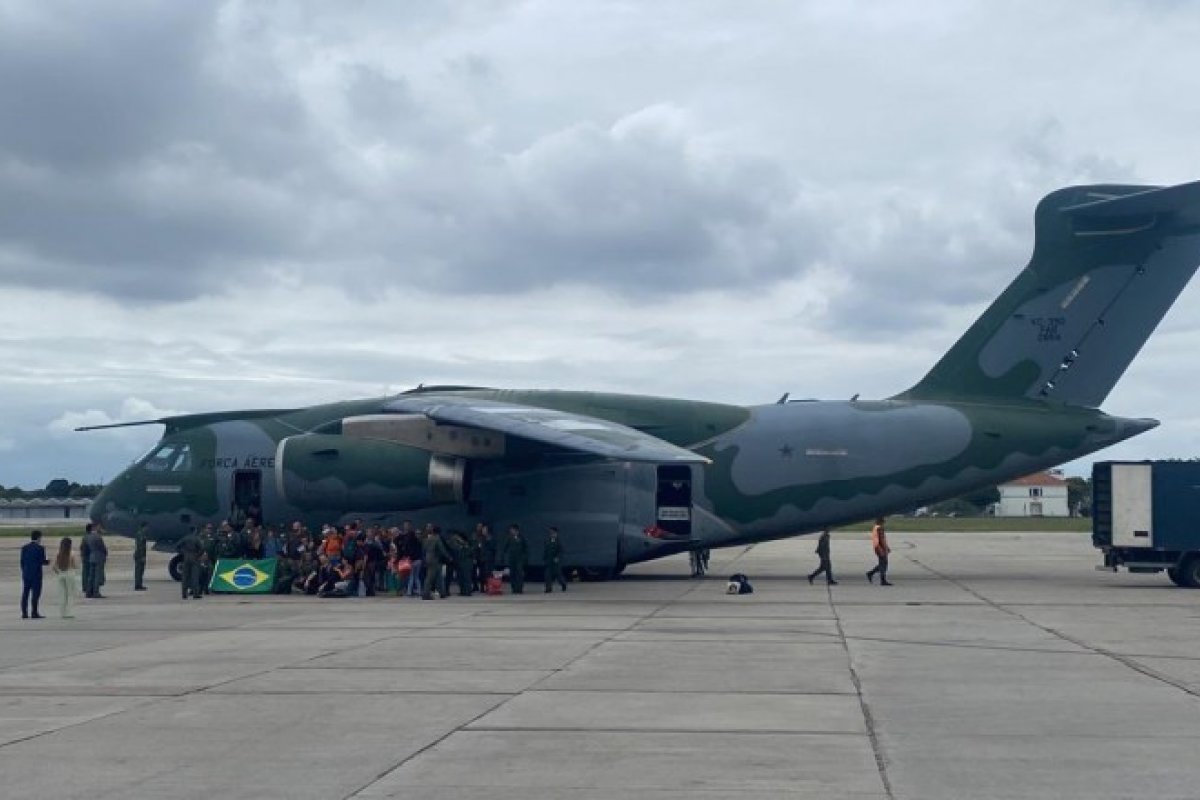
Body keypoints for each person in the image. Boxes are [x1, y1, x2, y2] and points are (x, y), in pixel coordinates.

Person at [20, 530, 49, 619]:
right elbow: (42, 561)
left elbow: (22, 562)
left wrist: (24, 571)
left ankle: (24, 613)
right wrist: (48, 562)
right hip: (36, 574)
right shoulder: (40, 548)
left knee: (25, 593)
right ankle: (34, 612)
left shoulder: (24, 548)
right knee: (35, 594)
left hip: (26, 574)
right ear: (39, 538)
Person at [51, 537, 79, 619]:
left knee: (62, 594)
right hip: (69, 573)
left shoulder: (58, 553)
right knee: (70, 594)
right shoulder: (72, 553)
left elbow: (53, 567)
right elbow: (75, 565)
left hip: (61, 574)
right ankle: (69, 612)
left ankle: (62, 612)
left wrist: (59, 573)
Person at [421, 527, 451, 600]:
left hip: (428, 559)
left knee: (439, 577)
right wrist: (448, 557)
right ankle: (426, 594)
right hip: (435, 560)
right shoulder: (437, 539)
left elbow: (424, 548)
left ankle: (442, 593)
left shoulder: (428, 539)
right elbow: (442, 549)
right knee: (430, 577)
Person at [176, 527, 204, 599]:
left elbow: (177, 546)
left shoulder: (185, 538)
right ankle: (195, 594)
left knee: (185, 577)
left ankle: (184, 594)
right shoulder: (196, 538)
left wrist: (183, 553)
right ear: (195, 531)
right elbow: (202, 548)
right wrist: (198, 555)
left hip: (186, 557)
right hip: (194, 557)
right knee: (195, 577)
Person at [83, 523, 108, 598]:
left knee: (91, 576)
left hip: (92, 557)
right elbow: (102, 547)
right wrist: (105, 553)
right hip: (99, 557)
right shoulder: (98, 537)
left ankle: (88, 592)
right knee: (97, 576)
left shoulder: (88, 537)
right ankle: (96, 592)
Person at [866, 517, 893, 586]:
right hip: (880, 547)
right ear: (881, 522)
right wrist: (885, 548)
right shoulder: (880, 528)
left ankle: (871, 574)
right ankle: (881, 580)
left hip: (877, 547)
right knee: (884, 564)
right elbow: (882, 539)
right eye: (883, 522)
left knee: (882, 563)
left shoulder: (875, 527)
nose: (884, 523)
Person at [503, 525, 528, 594]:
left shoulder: (521, 538)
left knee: (520, 573)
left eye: (512, 530)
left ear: (516, 530)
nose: (510, 531)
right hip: (512, 559)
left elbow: (525, 548)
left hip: (519, 559)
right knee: (512, 573)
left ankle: (519, 588)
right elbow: (505, 547)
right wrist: (503, 555)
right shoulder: (509, 538)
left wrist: (525, 557)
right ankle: (514, 588)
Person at [543, 526, 567, 593]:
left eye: (553, 532)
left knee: (558, 575)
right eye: (550, 532)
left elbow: (561, 551)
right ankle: (548, 588)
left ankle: (563, 584)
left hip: (556, 561)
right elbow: (546, 550)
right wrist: (544, 558)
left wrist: (557, 557)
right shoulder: (547, 540)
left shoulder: (558, 541)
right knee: (547, 575)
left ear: (556, 533)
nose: (551, 533)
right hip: (549, 560)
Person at [132, 522, 149, 591]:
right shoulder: (141, 534)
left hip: (139, 554)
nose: (147, 529)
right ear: (144, 527)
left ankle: (139, 585)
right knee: (139, 571)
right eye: (146, 527)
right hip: (139, 555)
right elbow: (141, 546)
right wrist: (142, 556)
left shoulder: (141, 534)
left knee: (140, 571)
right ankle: (137, 585)